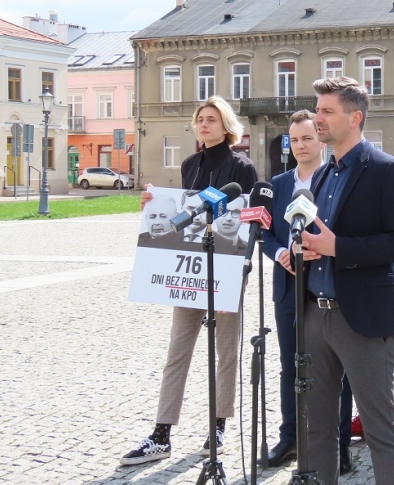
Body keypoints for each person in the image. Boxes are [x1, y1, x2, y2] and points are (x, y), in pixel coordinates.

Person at [121, 96, 258, 466]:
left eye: (211, 119)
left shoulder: (242, 167)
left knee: (225, 352)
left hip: (227, 271)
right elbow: (183, 213)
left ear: (226, 126)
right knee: (178, 351)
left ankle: (218, 425)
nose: (204, 124)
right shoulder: (190, 165)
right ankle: (161, 433)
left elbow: (250, 220)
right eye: (200, 119)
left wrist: (240, 273)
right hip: (191, 271)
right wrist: (153, 203)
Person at [299, 76, 394, 485]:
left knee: (380, 430)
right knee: (318, 427)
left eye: (326, 111)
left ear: (355, 118)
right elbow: (322, 238)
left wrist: (339, 248)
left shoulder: (387, 170)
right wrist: (306, 250)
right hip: (315, 315)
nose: (317, 118)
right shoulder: (321, 175)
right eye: (317, 110)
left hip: (364, 319)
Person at [262, 110, 356, 474]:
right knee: (290, 365)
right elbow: (267, 233)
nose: (301, 145)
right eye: (295, 140)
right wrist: (280, 253)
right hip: (288, 285)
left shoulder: (336, 178)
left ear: (321, 140)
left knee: (334, 369)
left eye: (307, 138)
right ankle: (290, 437)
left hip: (327, 285)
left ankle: (340, 443)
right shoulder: (278, 183)